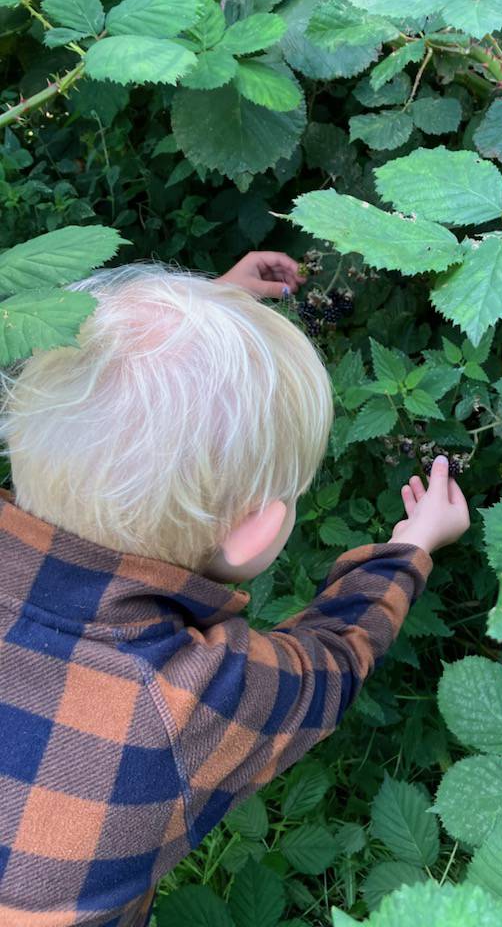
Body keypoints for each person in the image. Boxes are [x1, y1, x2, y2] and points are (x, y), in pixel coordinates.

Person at [0, 249, 470, 925]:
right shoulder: (186, 700)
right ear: (258, 531)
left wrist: (194, 315)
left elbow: (96, 414)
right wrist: (411, 546)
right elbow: (334, 657)